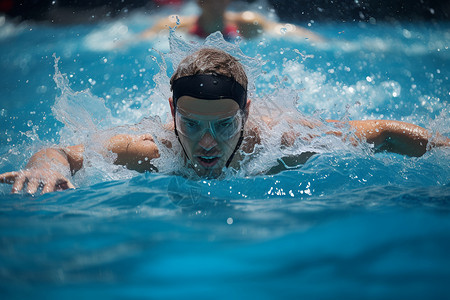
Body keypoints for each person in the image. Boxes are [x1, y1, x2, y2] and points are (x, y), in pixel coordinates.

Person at [0, 48, 448, 194]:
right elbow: (63, 152)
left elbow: (384, 132)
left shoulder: (283, 140)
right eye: (193, 124)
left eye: (224, 125)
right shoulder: (155, 150)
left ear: (246, 113)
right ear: (173, 114)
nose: (207, 143)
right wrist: (47, 167)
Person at [141, 0, 324, 41]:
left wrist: (325, 41)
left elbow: (286, 30)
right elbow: (141, 40)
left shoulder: (246, 23)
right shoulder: (176, 25)